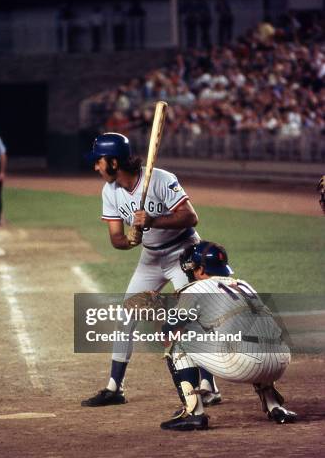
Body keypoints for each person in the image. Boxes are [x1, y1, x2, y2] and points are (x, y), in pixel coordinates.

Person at [81, 132, 221, 407]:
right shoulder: (110, 191)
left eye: (98, 162)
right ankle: (115, 387)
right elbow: (116, 240)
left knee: (191, 318)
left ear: (112, 162)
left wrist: (154, 220)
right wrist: (131, 239)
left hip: (183, 252)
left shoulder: (160, 178)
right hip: (150, 258)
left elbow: (191, 216)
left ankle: (209, 385)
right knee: (126, 316)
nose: (95, 167)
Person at [159, 241, 297, 431]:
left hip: (245, 364)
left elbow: (169, 330)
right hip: (281, 360)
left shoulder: (195, 289)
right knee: (253, 335)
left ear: (199, 270)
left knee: (177, 344)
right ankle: (275, 407)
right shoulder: (244, 284)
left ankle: (194, 413)